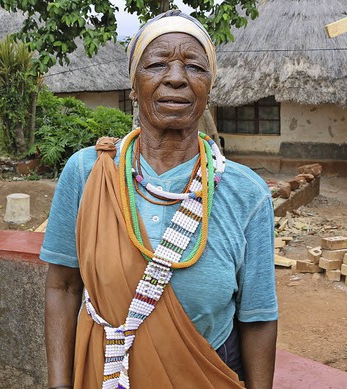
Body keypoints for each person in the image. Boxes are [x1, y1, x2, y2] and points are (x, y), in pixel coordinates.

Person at [40, 10, 278, 389]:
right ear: (134, 86)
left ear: (209, 86)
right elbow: (64, 287)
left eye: (195, 68)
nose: (177, 78)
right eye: (156, 64)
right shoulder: (88, 172)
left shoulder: (246, 191)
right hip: (102, 372)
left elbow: (258, 316)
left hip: (206, 373)